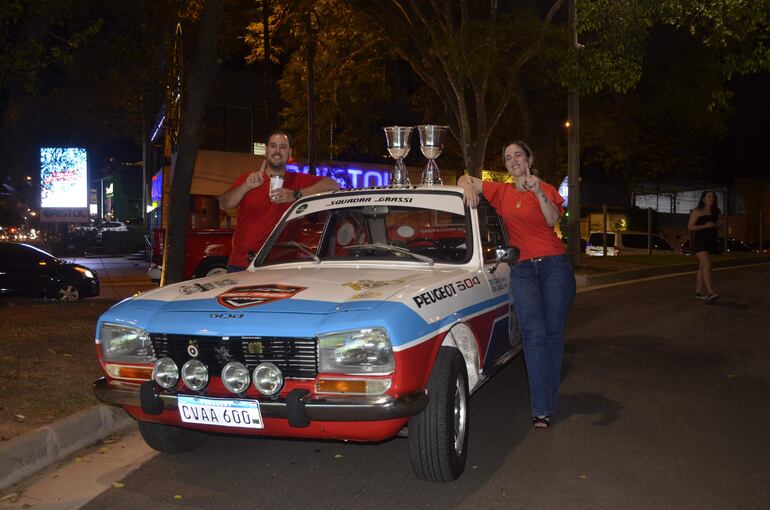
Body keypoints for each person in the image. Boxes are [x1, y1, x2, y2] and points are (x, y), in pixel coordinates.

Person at [458, 140, 575, 430]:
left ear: (529, 158)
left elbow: (551, 221)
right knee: (533, 337)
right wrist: (468, 187)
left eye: (518, 155)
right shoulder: (502, 191)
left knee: (552, 336)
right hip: (522, 270)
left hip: (555, 268)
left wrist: (538, 192)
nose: (513, 161)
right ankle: (541, 409)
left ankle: (548, 399)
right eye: (507, 157)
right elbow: (464, 177)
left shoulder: (545, 188)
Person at [218, 131, 339, 271]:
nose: (277, 151)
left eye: (283, 147)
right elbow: (224, 204)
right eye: (273, 146)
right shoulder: (249, 179)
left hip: (282, 265)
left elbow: (333, 184)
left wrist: (295, 195)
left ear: (290, 153)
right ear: (266, 151)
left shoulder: (298, 180)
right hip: (244, 264)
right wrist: (246, 187)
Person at [688, 190, 720, 303]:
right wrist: (705, 225)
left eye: (713, 197)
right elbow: (690, 227)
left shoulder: (715, 212)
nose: (711, 198)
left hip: (711, 242)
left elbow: (716, 225)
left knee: (702, 267)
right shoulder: (697, 211)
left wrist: (717, 225)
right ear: (703, 199)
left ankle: (697, 292)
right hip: (699, 242)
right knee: (707, 264)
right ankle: (711, 292)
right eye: (709, 196)